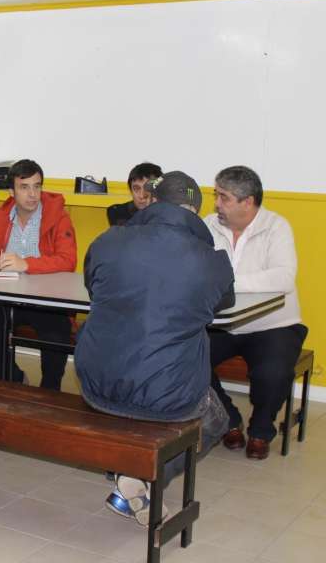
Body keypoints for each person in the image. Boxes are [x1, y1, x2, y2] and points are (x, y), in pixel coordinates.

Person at [75, 171, 234, 526]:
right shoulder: (211, 260)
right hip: (168, 397)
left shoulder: (107, 241)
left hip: (95, 383)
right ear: (195, 212)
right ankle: (140, 476)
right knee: (217, 419)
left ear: (154, 201)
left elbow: (93, 285)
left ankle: (128, 477)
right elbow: (223, 303)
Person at [204, 165, 307, 460]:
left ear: (247, 201)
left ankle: (261, 430)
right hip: (221, 324)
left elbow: (283, 278)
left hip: (273, 324)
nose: (216, 203)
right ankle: (228, 420)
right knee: (184, 357)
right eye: (216, 195)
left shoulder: (276, 226)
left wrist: (228, 282)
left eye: (223, 197)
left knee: (273, 372)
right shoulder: (208, 225)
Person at [0, 159, 77, 389]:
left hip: (48, 299)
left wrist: (26, 264)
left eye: (37, 186)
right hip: (6, 299)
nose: (32, 194)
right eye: (24, 187)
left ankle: (48, 395)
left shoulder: (58, 216)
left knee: (56, 340)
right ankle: (17, 381)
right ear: (11, 192)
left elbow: (68, 260)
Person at [106, 162, 162, 226]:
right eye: (136, 189)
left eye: (148, 188)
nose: (141, 195)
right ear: (131, 191)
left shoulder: (168, 212)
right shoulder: (118, 213)